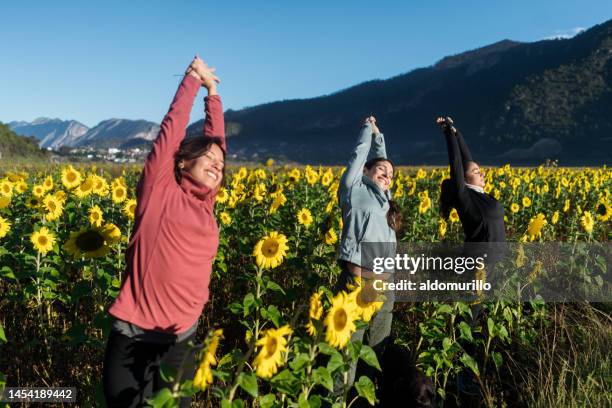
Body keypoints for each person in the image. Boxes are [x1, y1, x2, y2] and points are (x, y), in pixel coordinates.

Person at [103, 55, 226, 408]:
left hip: (182, 338)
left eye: (221, 163)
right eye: (209, 160)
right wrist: (192, 81)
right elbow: (171, 131)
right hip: (135, 336)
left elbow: (216, 142)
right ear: (183, 161)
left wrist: (214, 92)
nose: (218, 165)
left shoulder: (207, 205)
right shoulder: (159, 192)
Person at [334, 116, 402, 395]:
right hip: (357, 286)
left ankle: (365, 400)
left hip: (385, 290)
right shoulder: (354, 191)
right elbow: (358, 158)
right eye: (381, 171)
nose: (387, 176)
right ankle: (337, 399)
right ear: (365, 171)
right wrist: (367, 131)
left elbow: (382, 165)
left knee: (376, 352)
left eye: (391, 175)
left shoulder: (385, 201)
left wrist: (380, 138)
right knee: (346, 354)